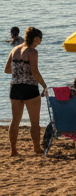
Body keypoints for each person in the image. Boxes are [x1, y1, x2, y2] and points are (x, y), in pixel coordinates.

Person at [7, 27, 47, 157]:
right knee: (35, 122)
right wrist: (44, 85)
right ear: (36, 39)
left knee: (15, 121)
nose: (40, 42)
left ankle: (13, 150)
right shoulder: (32, 52)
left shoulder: (14, 49)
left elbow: (7, 69)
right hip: (29, 87)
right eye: (40, 39)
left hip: (15, 87)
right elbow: (35, 72)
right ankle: (37, 148)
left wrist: (20, 71)